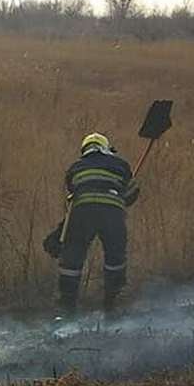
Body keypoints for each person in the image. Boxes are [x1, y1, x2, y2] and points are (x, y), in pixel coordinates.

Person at [57, 132, 140, 313]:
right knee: (115, 257)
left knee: (72, 259)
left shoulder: (75, 167)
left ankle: (66, 307)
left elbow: (72, 189)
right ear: (106, 149)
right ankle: (112, 304)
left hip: (82, 212)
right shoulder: (121, 165)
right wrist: (119, 195)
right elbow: (132, 194)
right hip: (112, 213)